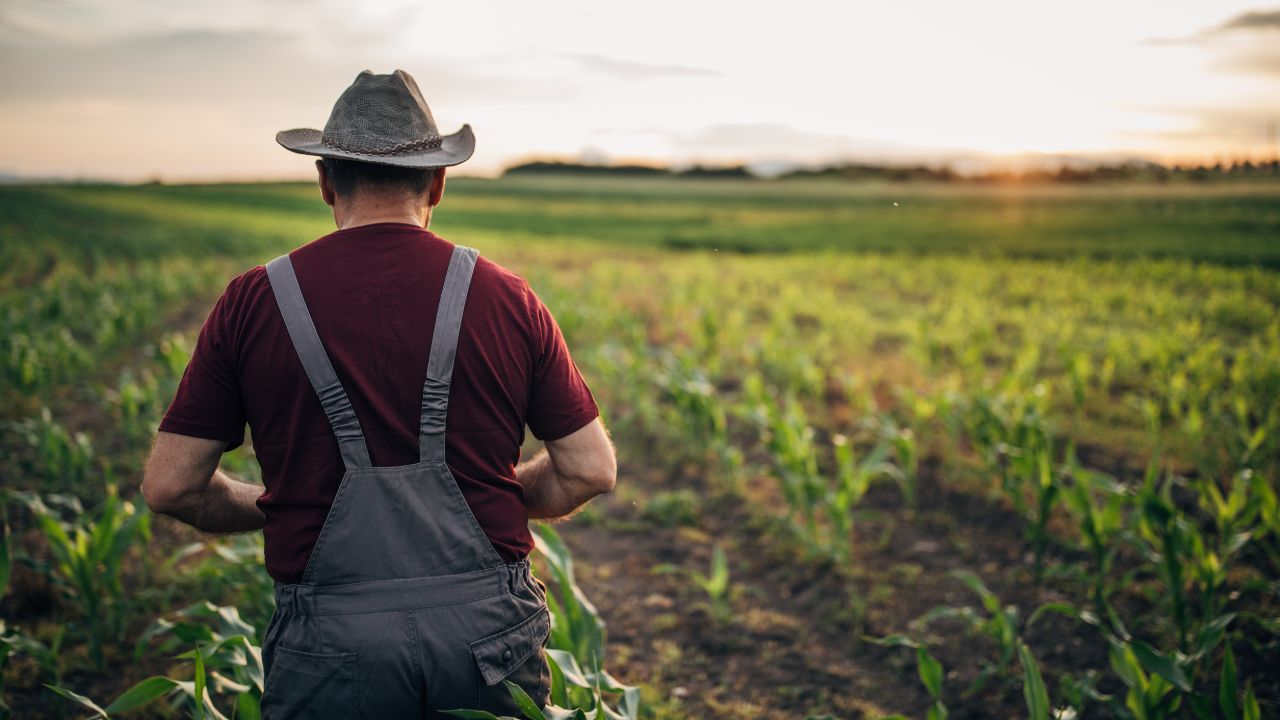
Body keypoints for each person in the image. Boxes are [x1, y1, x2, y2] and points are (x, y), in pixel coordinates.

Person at [141, 69, 616, 718]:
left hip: (330, 642)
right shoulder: (507, 297)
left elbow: (171, 486)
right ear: (439, 183)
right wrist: (500, 493)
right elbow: (589, 469)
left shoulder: (255, 301)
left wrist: (279, 505)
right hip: (486, 638)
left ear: (325, 181)